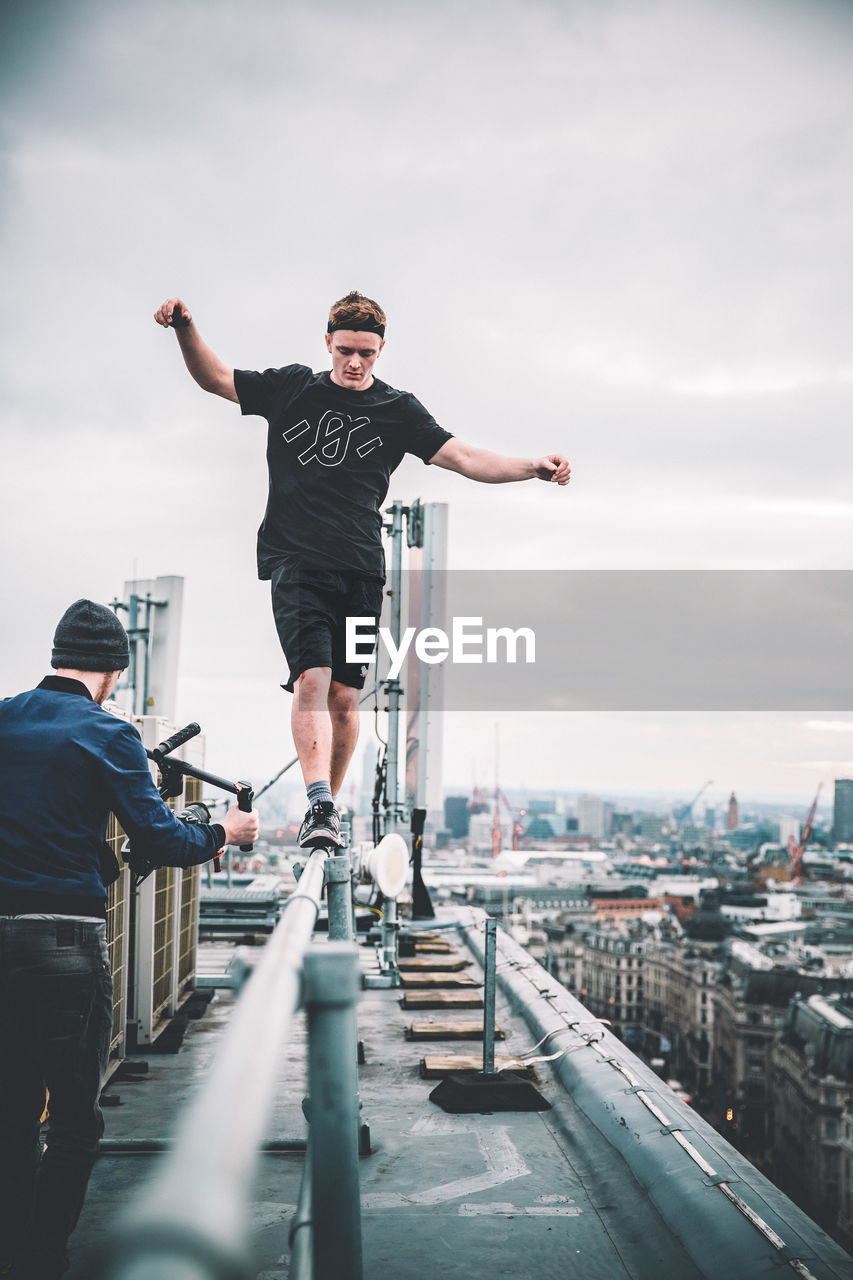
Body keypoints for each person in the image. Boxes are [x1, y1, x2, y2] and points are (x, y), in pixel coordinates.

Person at [154, 290, 570, 848]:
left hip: (361, 570)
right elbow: (216, 378)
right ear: (328, 342)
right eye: (346, 350)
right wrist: (185, 328)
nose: (355, 363)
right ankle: (320, 799)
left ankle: (323, 815)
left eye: (366, 354)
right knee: (311, 679)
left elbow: (466, 458)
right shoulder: (293, 387)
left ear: (380, 351)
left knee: (346, 699)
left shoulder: (398, 410)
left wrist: (533, 468)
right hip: (297, 562)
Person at [0, 600, 259, 1279]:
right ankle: (42, 1258)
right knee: (76, 1122)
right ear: (114, 672)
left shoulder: (2, 716)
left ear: (55, 658)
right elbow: (159, 839)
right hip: (64, 942)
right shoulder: (107, 734)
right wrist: (222, 835)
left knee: (13, 1107)